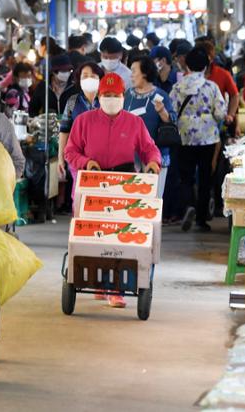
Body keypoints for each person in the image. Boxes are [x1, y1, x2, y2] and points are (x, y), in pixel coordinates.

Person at [65, 72, 161, 308]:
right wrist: (85, 162)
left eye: (114, 95)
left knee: (120, 238)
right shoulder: (84, 121)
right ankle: (100, 283)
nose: (110, 99)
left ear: (122, 96)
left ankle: (115, 288)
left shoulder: (134, 122)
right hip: (92, 184)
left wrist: (153, 162)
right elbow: (70, 151)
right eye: (106, 95)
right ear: (99, 96)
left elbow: (150, 148)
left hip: (124, 185)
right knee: (95, 237)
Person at [170, 47, 226, 233]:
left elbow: (171, 112)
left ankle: (188, 206)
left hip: (184, 137)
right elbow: (220, 114)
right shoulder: (211, 87)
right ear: (206, 66)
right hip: (207, 138)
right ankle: (201, 219)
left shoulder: (178, 87)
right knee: (205, 178)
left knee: (185, 177)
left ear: (187, 64)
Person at [124, 56, 176, 197]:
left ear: (145, 73)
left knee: (154, 198)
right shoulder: (127, 94)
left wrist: (161, 111)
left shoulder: (161, 95)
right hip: (131, 154)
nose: (131, 75)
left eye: (134, 71)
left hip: (156, 153)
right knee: (133, 197)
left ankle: (153, 220)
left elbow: (172, 121)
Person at [59, 61, 105, 179]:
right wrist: (60, 159)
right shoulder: (72, 101)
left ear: (100, 79)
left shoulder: (106, 100)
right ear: (79, 80)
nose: (89, 79)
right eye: (85, 76)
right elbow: (64, 131)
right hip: (77, 159)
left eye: (93, 76)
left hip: (103, 160)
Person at [195, 40, 238, 129]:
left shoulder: (223, 74)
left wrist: (230, 115)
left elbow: (234, 95)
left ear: (211, 58)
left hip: (217, 123)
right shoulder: (189, 76)